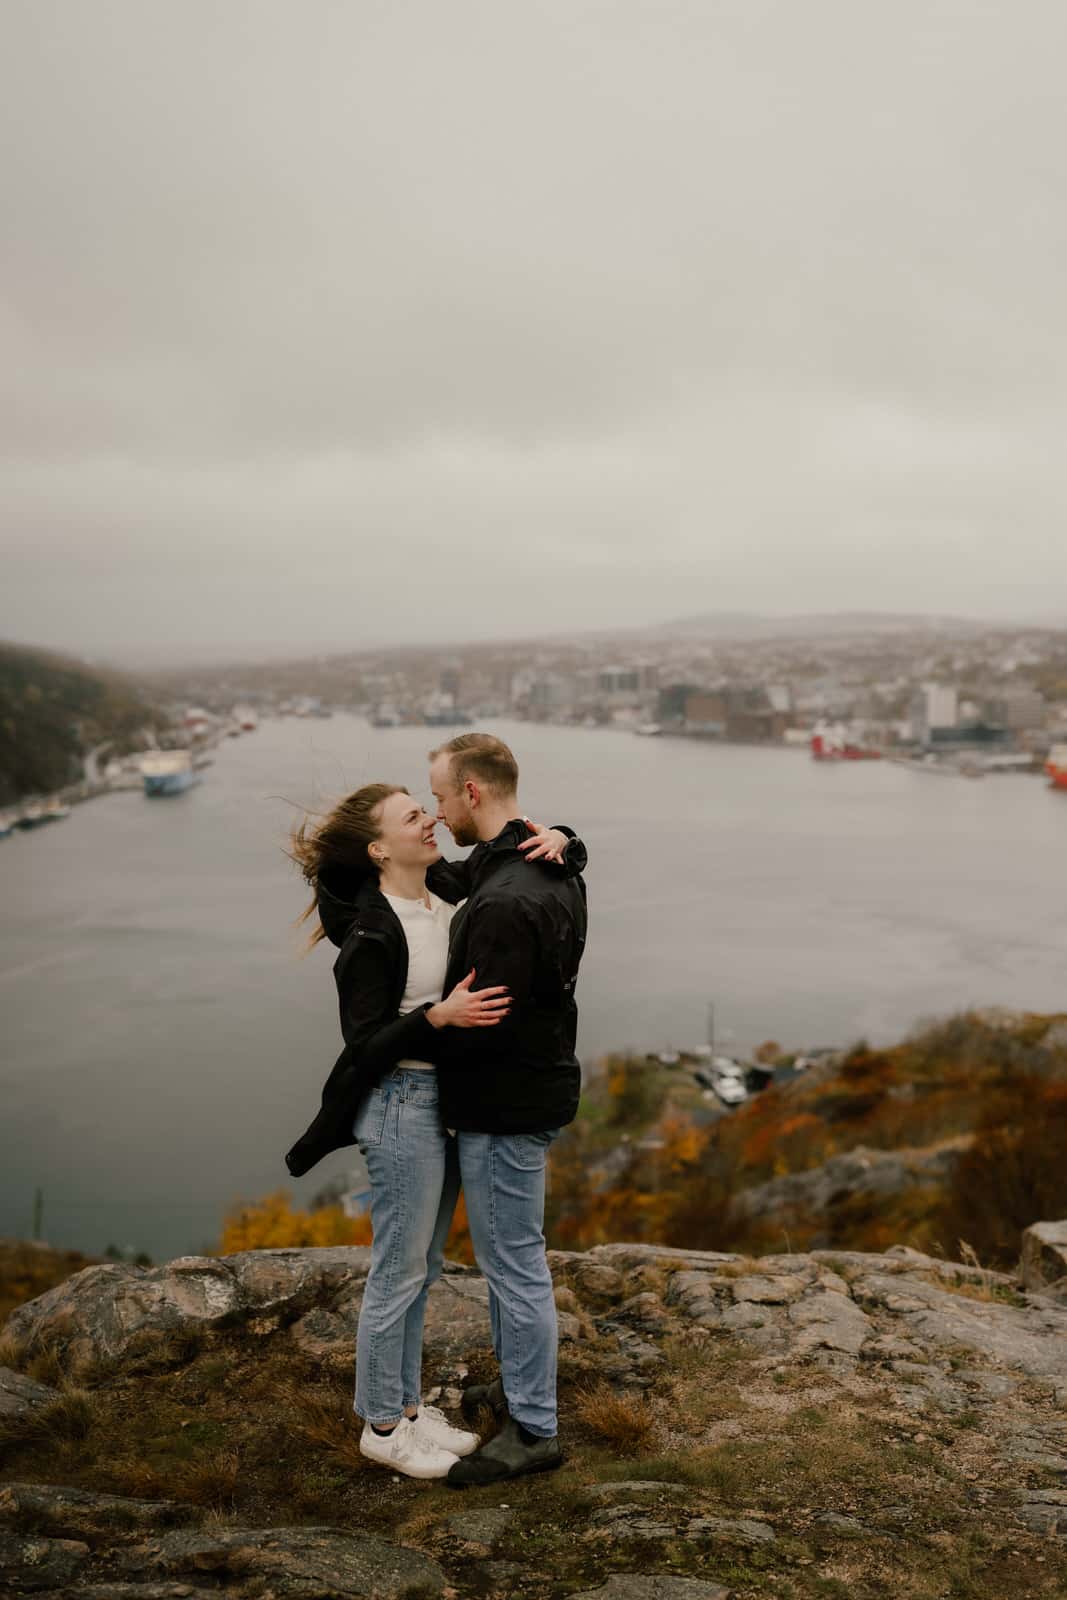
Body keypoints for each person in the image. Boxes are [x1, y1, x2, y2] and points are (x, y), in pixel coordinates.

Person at [284, 781, 585, 1480]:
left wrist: (567, 839)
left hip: (444, 1102)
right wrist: (435, 1020)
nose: (429, 821)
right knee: (397, 1271)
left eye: (427, 809)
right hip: (397, 1102)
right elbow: (362, 1043)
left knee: (421, 1271)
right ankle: (382, 1426)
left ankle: (409, 1408)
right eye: (412, 817)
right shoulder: (372, 927)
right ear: (378, 847)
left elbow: (513, 860)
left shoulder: (443, 890)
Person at [426, 733, 587, 1488]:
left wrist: (421, 1043)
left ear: (472, 794)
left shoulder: (503, 903)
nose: (433, 812)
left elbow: (487, 1022)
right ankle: (518, 1387)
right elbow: (458, 876)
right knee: (508, 1261)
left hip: (504, 1104)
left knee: (514, 1265)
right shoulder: (541, 862)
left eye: (436, 796)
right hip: (536, 1087)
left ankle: (533, 1428)